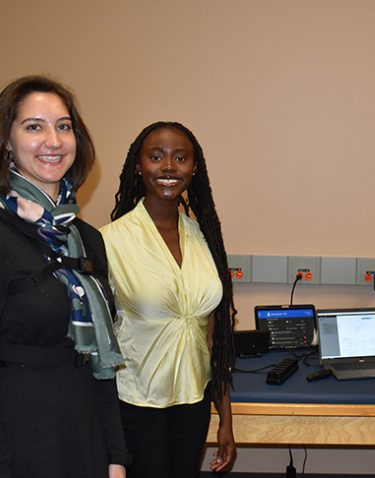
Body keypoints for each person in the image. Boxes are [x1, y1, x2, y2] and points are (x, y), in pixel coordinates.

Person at [0, 75, 129, 477]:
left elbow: (99, 361)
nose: (53, 141)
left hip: (82, 431)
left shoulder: (86, 239)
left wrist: (116, 457)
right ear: (6, 140)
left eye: (64, 126)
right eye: (34, 126)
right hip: (16, 439)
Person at [100, 122, 237, 478]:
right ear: (138, 165)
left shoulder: (205, 238)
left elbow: (214, 338)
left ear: (195, 167)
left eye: (181, 157)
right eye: (156, 156)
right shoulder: (110, 242)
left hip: (193, 401)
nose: (169, 167)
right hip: (135, 402)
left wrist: (225, 419)